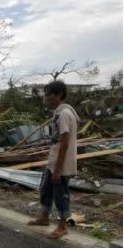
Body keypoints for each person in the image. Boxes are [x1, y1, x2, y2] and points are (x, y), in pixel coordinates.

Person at [28, 80, 79, 239]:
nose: (46, 98)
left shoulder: (64, 114)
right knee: (45, 189)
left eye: (49, 95)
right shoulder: (58, 112)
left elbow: (64, 143)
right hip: (54, 161)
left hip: (61, 165)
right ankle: (44, 217)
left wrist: (58, 170)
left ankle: (62, 226)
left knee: (61, 194)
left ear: (58, 95)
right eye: (46, 95)